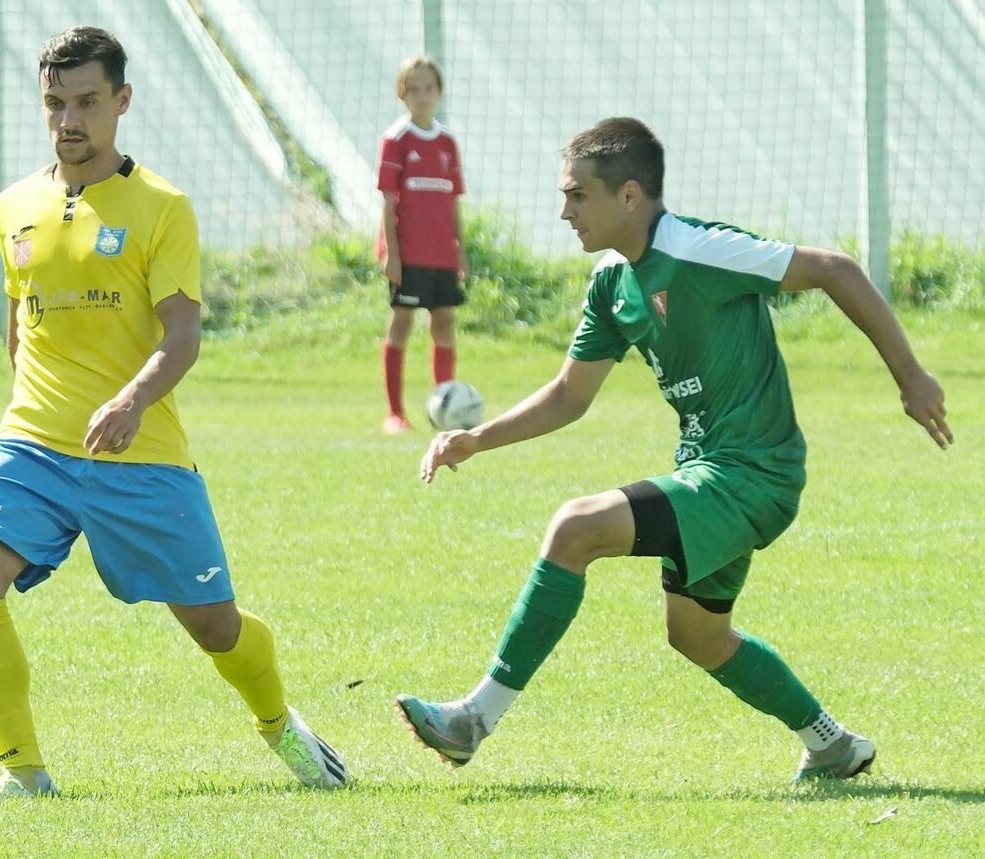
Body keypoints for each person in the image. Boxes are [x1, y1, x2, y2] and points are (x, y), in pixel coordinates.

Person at [396, 117, 952, 781]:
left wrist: (910, 376)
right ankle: (832, 743)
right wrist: (478, 439)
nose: (563, 210)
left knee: (575, 528)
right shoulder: (612, 285)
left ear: (629, 196)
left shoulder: (699, 250)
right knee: (696, 634)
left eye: (577, 195)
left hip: (754, 473)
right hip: (709, 474)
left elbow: (833, 268)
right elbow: (571, 395)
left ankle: (472, 720)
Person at [0, 27, 348, 804]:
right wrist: (28, 414)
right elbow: (18, 329)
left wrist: (131, 399)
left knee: (215, 627)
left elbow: (183, 333)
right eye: (57, 103)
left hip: (142, 451)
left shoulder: (162, 207)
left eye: (89, 102)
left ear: (122, 102)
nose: (70, 119)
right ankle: (23, 773)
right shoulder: (11, 207)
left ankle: (279, 724)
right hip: (32, 442)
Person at [376, 56, 469, 434]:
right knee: (401, 323)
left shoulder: (447, 143)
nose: (422, 95)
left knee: (444, 324)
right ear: (403, 93)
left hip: (442, 253)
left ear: (439, 92)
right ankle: (395, 413)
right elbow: (388, 202)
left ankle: (444, 407)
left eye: (428, 88)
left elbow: (454, 203)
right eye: (413, 89)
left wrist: (461, 250)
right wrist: (391, 254)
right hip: (409, 254)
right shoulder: (396, 139)